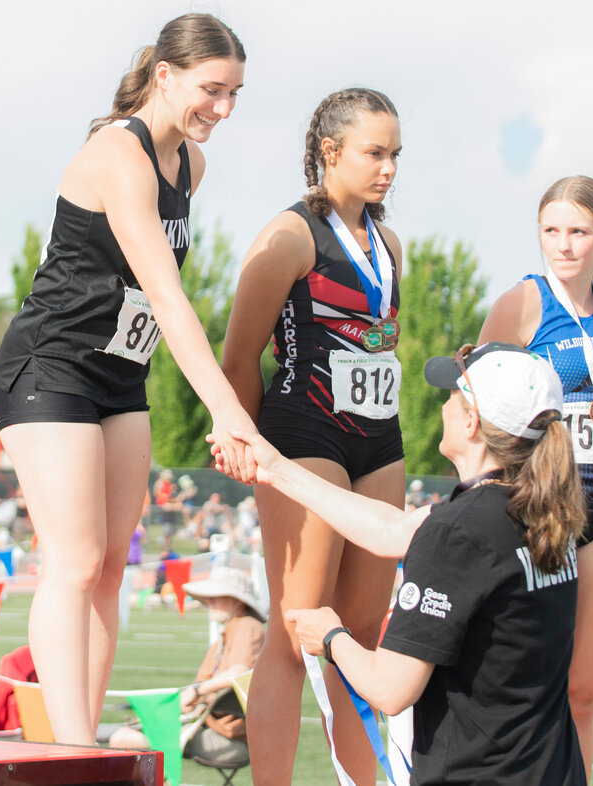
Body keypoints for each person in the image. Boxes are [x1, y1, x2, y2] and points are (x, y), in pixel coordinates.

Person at [0, 13, 256, 745]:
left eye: (235, 94)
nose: (223, 110)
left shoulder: (190, 167)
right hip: (50, 367)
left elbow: (149, 306)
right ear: (165, 75)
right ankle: (68, 744)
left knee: (110, 568)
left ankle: (82, 734)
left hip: (118, 375)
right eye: (211, 90)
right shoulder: (118, 153)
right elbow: (166, 297)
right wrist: (229, 412)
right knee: (72, 562)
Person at [223, 343, 587, 784]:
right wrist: (275, 468)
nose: (445, 404)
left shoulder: (458, 532)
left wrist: (331, 637)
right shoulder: (545, 518)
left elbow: (389, 690)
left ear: (471, 422)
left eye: (453, 394)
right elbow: (390, 530)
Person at [221, 87, 405, 783]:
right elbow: (239, 359)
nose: (387, 168)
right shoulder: (291, 236)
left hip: (380, 442)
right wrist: (258, 455)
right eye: (374, 153)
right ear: (330, 152)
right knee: (298, 635)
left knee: (359, 636)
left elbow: (379, 346)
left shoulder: (388, 244)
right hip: (306, 438)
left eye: (395, 155)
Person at [478, 176, 593, 779]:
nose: (563, 245)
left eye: (578, 232)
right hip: (541, 512)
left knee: (583, 692)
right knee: (527, 688)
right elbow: (479, 402)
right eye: (551, 230)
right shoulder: (524, 301)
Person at [103, 566, 265, 767]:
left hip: (230, 740)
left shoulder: (248, 626)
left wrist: (197, 692)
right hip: (208, 728)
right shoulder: (225, 635)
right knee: (127, 735)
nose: (210, 602)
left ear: (238, 602)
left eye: (217, 596)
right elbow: (198, 684)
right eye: (209, 597)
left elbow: (238, 673)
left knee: (124, 739)